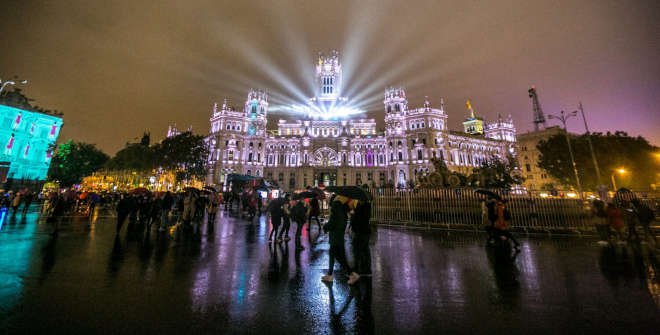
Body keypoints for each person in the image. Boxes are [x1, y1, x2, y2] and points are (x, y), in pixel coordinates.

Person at [321, 195, 355, 283]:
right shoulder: (343, 210)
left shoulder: (336, 207)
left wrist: (325, 227)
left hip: (336, 236)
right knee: (333, 255)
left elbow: (332, 223)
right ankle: (329, 274)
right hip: (338, 235)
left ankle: (352, 274)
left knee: (340, 257)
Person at [349, 199, 372, 285]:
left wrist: (353, 212)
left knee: (357, 251)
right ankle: (367, 271)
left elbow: (358, 218)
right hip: (364, 231)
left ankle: (356, 272)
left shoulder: (363, 206)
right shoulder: (364, 205)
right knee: (365, 251)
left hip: (361, 231)